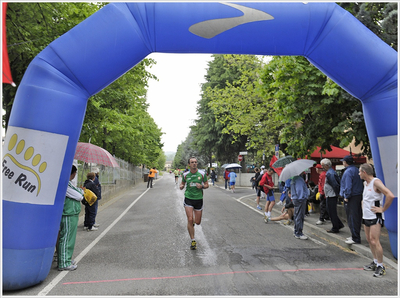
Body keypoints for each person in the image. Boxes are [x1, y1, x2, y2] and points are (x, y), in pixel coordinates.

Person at [359, 163, 395, 278]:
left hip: (375, 216)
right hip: (366, 215)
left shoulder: (376, 182)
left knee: (375, 241)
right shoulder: (365, 183)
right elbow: (366, 198)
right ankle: (375, 262)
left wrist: (382, 209)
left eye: (359, 172)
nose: (359, 174)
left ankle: (381, 265)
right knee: (369, 240)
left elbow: (390, 195)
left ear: (364, 172)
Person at [58, 165, 83, 271]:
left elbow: (79, 192)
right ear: (72, 173)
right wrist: (81, 192)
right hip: (68, 213)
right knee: (66, 238)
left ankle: (66, 259)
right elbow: (79, 196)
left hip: (72, 213)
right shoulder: (65, 184)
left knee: (69, 238)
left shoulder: (68, 183)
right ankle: (64, 262)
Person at [180, 157, 209, 250]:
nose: (194, 164)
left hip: (199, 199)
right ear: (189, 164)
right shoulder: (185, 175)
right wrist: (181, 186)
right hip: (188, 198)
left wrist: (202, 186)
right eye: (192, 162)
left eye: (196, 162)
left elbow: (207, 184)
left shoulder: (202, 174)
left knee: (197, 222)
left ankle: (192, 223)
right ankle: (193, 240)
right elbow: (182, 183)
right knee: (189, 219)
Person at [340, 155, 364, 245]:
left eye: (343, 161)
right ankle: (355, 235)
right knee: (356, 216)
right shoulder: (356, 170)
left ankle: (355, 237)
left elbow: (348, 185)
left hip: (351, 197)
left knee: (352, 217)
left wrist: (346, 196)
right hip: (358, 195)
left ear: (345, 162)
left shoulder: (348, 172)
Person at [321, 158, 344, 233]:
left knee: (331, 211)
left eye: (323, 165)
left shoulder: (330, 173)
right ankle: (338, 224)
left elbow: (335, 185)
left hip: (331, 195)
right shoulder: (330, 172)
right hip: (330, 195)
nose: (322, 167)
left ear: (327, 165)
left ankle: (335, 227)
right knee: (330, 210)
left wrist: (338, 194)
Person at [290, 174, 309, 240]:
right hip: (300, 200)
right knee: (300, 216)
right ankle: (299, 232)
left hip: (295, 198)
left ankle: (296, 231)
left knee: (297, 215)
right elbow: (299, 190)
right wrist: (302, 198)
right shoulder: (299, 179)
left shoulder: (294, 178)